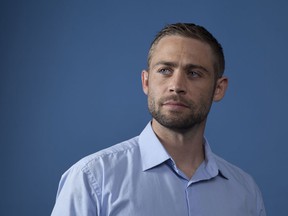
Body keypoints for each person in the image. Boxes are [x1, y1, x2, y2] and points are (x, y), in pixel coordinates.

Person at [51, 23, 266, 216]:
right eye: (165, 70)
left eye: (194, 73)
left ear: (218, 89)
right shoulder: (92, 178)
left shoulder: (246, 192)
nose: (176, 85)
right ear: (146, 82)